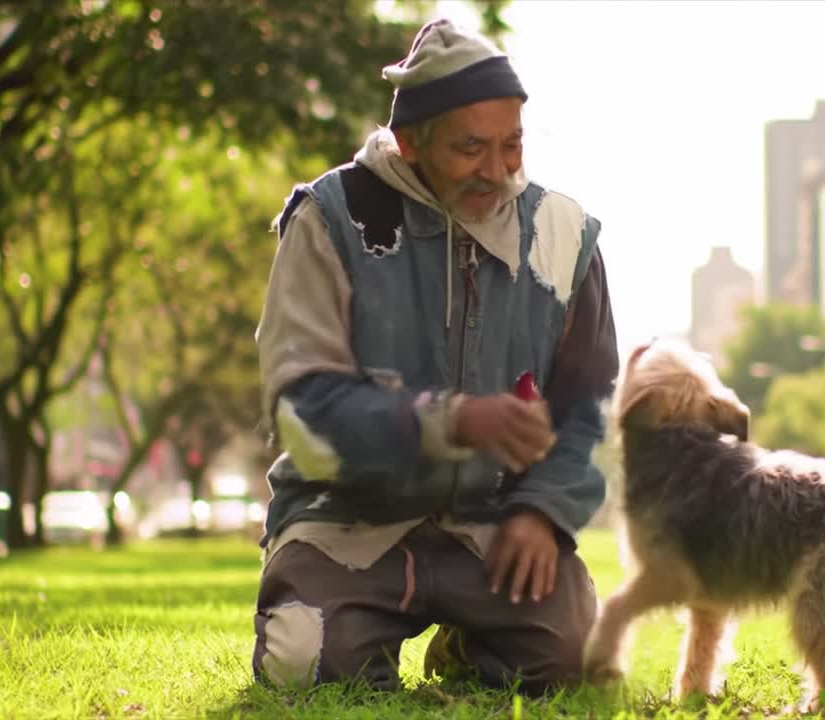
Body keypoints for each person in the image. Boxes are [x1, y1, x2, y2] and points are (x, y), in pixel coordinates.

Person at [250, 18, 619, 696]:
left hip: (494, 521)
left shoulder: (564, 235)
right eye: (470, 148)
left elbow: (586, 409)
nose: (497, 170)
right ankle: (355, 626)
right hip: (345, 519)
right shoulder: (329, 220)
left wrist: (542, 510)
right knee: (305, 664)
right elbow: (304, 409)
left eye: (512, 144)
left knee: (576, 664)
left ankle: (471, 639)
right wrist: (449, 423)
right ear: (409, 141)